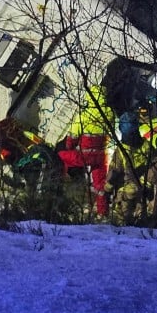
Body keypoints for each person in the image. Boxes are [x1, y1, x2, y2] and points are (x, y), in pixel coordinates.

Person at [57, 85, 114, 217]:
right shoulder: (110, 113)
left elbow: (72, 138)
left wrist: (69, 147)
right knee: (100, 186)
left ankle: (59, 187)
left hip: (85, 156)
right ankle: (103, 213)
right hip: (102, 156)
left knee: (60, 156)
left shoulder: (83, 116)